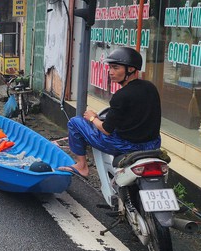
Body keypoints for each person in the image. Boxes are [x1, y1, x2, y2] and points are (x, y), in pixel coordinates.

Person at [59, 47, 162, 178]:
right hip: (152, 144)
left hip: (126, 147)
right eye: (110, 68)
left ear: (130, 69)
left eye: (115, 68)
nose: (110, 72)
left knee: (75, 122)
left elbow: (106, 129)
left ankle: (82, 166)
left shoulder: (121, 95)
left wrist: (92, 118)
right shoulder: (151, 87)